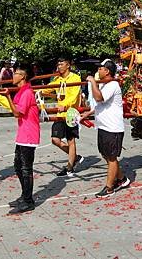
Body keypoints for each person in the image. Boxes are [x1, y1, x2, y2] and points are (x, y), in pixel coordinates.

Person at [86, 59, 130, 198]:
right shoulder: (105, 85)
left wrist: (92, 82)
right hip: (104, 127)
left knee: (111, 157)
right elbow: (99, 105)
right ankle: (122, 179)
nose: (98, 70)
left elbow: (99, 98)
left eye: (101, 68)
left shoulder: (112, 85)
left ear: (107, 71)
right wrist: (86, 114)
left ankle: (109, 188)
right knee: (106, 155)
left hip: (112, 128)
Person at [0, 63, 40, 213]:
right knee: (18, 166)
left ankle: (28, 201)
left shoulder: (27, 92)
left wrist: (7, 96)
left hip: (29, 134)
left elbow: (17, 113)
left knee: (26, 168)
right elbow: (15, 108)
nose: (13, 75)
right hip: (23, 134)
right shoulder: (22, 91)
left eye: (16, 73)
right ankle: (25, 195)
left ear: (22, 76)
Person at [43, 57, 84, 177]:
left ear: (68, 65)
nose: (59, 66)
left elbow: (74, 96)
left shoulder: (75, 78)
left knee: (71, 140)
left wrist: (65, 105)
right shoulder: (58, 79)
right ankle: (75, 157)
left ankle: (70, 167)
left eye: (62, 64)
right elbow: (48, 88)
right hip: (60, 114)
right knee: (55, 139)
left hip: (71, 112)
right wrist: (37, 91)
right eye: (58, 64)